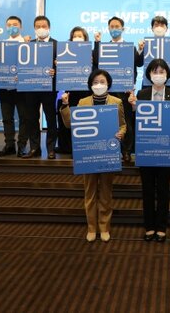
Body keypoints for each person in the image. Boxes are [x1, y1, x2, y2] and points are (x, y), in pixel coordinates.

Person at [60, 69, 126, 243]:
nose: (99, 85)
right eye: (95, 82)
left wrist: (121, 133)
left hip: (107, 154)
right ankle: (91, 227)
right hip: (88, 154)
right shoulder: (82, 102)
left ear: (108, 83)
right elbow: (69, 124)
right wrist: (65, 105)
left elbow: (123, 125)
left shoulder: (117, 102)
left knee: (105, 193)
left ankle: (104, 227)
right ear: (90, 84)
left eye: (102, 81)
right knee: (89, 193)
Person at [128, 59, 170, 242]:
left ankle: (161, 226)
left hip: (165, 150)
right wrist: (133, 107)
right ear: (149, 75)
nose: (158, 74)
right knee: (147, 190)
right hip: (146, 149)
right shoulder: (142, 94)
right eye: (154, 71)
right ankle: (149, 226)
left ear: (167, 74)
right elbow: (134, 121)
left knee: (163, 190)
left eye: (161, 71)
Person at [93, 16, 144, 164]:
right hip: (107, 91)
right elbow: (96, 61)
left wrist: (141, 49)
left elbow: (139, 63)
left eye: (117, 26)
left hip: (125, 91)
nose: (114, 29)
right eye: (112, 27)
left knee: (126, 121)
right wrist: (97, 42)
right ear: (108, 29)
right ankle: (109, 149)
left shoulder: (130, 47)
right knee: (108, 121)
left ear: (123, 28)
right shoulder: (103, 46)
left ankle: (126, 151)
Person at [0, 16, 30, 157]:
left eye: (15, 24)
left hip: (22, 88)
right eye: (9, 24)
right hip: (5, 88)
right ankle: (9, 145)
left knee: (24, 117)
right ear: (6, 27)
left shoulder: (27, 43)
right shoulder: (2, 44)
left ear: (21, 27)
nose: (12, 26)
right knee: (7, 118)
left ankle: (22, 146)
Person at [22, 16, 58, 159]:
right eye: (38, 26)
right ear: (34, 28)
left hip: (49, 88)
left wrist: (56, 70)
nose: (41, 28)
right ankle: (34, 148)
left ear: (49, 27)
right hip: (31, 88)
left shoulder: (57, 45)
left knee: (50, 118)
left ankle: (51, 148)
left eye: (43, 26)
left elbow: (65, 67)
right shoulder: (28, 45)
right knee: (32, 118)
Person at [55, 26, 93, 155]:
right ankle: (65, 147)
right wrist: (58, 64)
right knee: (64, 115)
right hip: (69, 90)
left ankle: (82, 147)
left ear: (85, 38)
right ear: (71, 39)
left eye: (80, 36)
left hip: (85, 91)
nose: (77, 38)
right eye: (75, 36)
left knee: (82, 119)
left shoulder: (91, 53)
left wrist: (92, 63)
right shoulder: (65, 53)